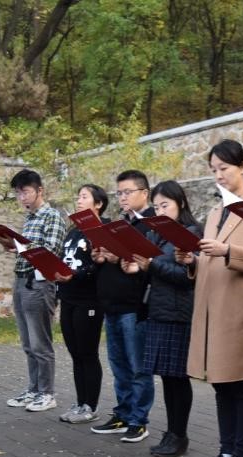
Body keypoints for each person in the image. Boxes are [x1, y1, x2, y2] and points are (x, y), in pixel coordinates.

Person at [175, 140, 243, 457]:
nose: (218, 176)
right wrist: (192, 261)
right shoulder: (217, 211)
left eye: (224, 169)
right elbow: (210, 258)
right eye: (213, 170)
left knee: (241, 384)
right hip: (212, 308)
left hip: (241, 311)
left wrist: (227, 250)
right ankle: (226, 451)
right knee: (221, 383)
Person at [122, 180, 202, 457]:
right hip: (158, 310)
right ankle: (171, 432)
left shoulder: (191, 233)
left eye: (165, 205)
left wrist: (152, 265)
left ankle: (179, 435)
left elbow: (187, 277)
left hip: (178, 314)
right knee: (167, 377)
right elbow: (153, 269)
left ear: (181, 203)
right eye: (156, 207)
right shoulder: (158, 234)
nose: (160, 211)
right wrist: (137, 267)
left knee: (177, 378)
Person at [89, 170, 155, 443]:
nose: (123, 198)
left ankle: (139, 420)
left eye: (128, 192)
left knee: (138, 367)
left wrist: (120, 258)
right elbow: (112, 264)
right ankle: (123, 414)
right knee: (119, 366)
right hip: (111, 304)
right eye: (119, 193)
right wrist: (101, 257)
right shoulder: (118, 225)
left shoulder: (151, 226)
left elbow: (150, 269)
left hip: (134, 306)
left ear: (144, 193)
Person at [5, 169, 66, 413]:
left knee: (41, 343)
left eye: (26, 192)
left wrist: (23, 247)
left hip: (39, 284)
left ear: (40, 190)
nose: (22, 198)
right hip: (21, 281)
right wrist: (11, 245)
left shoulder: (52, 216)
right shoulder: (29, 218)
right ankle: (33, 390)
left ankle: (47, 393)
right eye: (18, 193)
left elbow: (52, 251)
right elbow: (29, 249)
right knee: (28, 343)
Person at [55, 184, 108, 424]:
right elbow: (65, 259)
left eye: (84, 197)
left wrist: (76, 275)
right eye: (78, 197)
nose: (78, 201)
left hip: (89, 299)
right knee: (75, 352)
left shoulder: (102, 229)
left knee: (88, 352)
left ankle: (90, 406)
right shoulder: (74, 230)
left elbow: (99, 265)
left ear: (98, 203)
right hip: (68, 297)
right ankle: (80, 403)